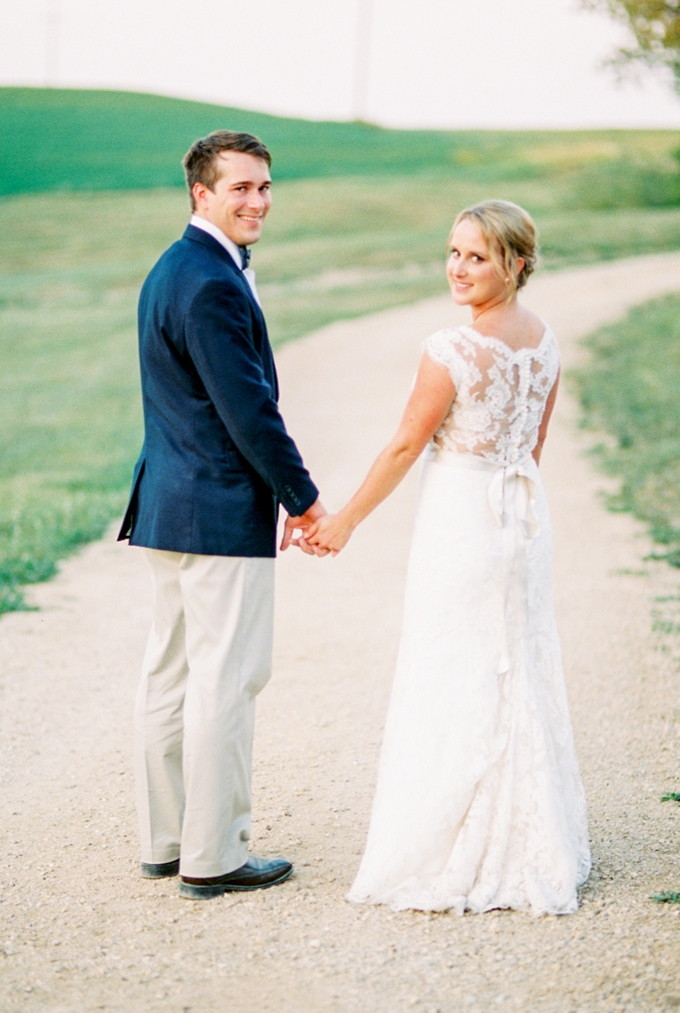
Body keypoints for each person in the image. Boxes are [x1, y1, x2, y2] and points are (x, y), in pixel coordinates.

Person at [302, 200, 591, 915]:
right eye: (453, 253)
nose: (459, 269)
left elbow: (404, 445)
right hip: (522, 519)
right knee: (514, 661)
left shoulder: (451, 349)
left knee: (452, 664)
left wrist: (344, 521)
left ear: (517, 264)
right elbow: (535, 446)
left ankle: (452, 842)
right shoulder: (547, 340)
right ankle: (526, 832)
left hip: (463, 521)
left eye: (477, 257)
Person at [118, 130, 325, 900]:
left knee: (170, 674)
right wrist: (304, 498)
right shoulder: (209, 281)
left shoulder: (172, 267)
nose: (258, 200)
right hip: (218, 511)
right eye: (240, 187)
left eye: (265, 186)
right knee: (226, 679)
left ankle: (166, 839)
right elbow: (251, 414)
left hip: (168, 507)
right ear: (201, 193)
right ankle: (214, 853)